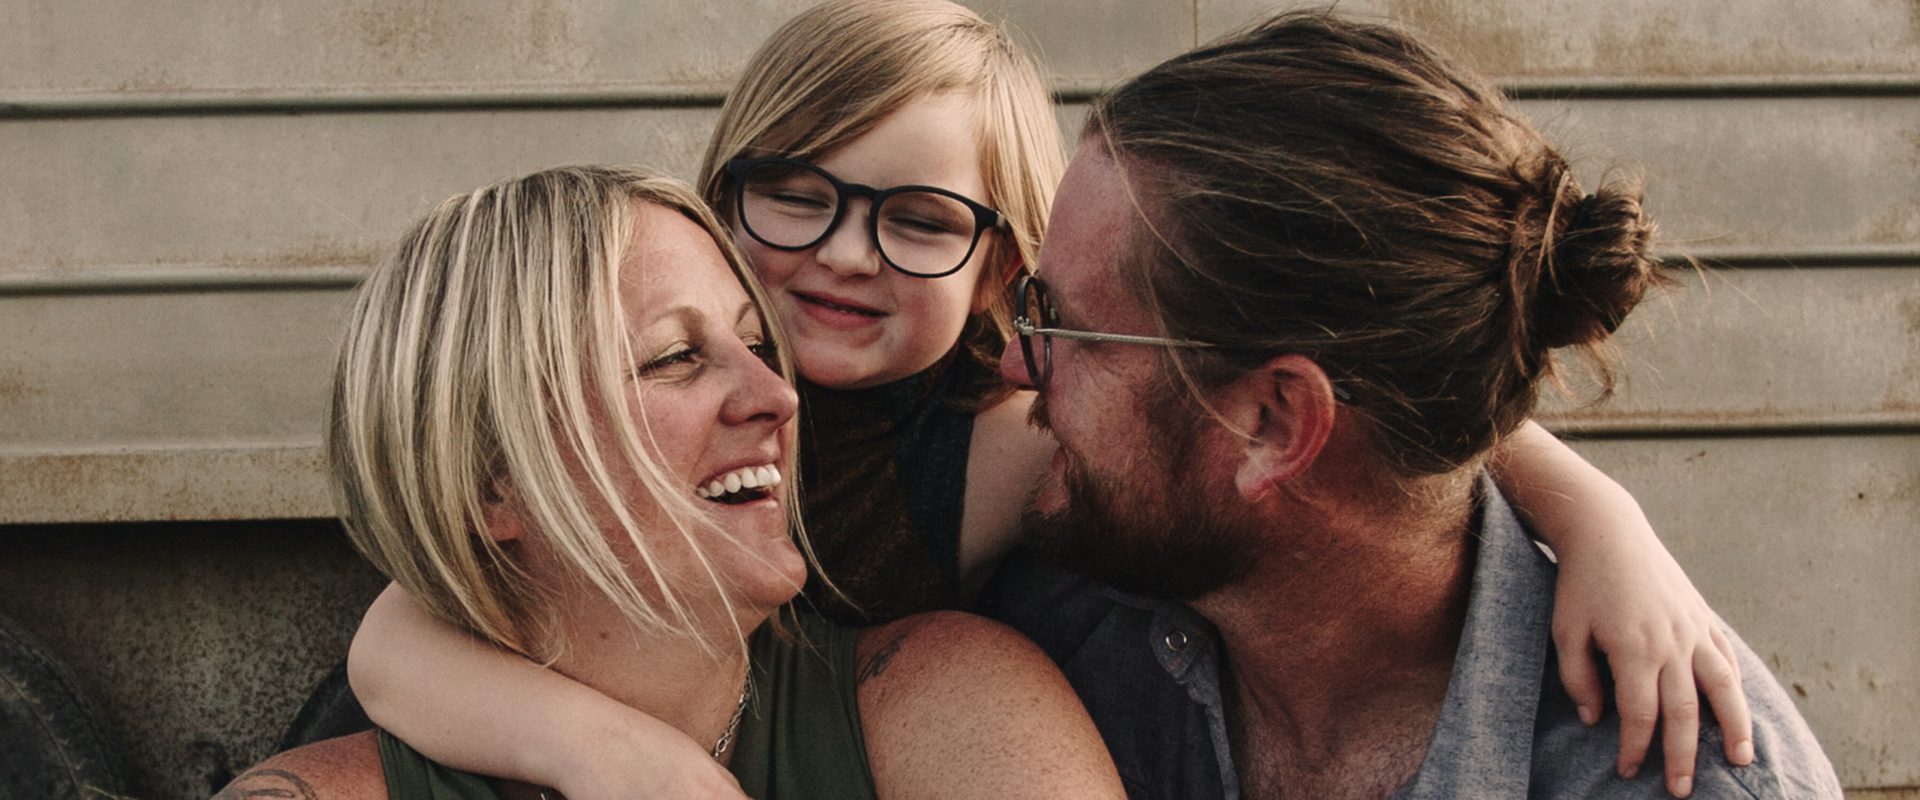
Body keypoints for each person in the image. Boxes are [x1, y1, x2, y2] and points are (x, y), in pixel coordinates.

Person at [342, 2, 1759, 797]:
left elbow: (1410, 401)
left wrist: (1600, 517)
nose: (836, 259)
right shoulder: (1105, 582)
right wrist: (592, 748)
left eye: (1057, 319)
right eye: (792, 198)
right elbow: (424, 593)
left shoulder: (1018, 480)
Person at [978, 11, 1844, 798]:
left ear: (1276, 426)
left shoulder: (1665, 780)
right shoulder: (1063, 622)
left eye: (1066, 326)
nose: (1015, 361)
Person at [214, 165, 1125, 800]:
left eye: (759, 343)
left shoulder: (946, 706)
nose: (776, 394)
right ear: (493, 484)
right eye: (677, 357)